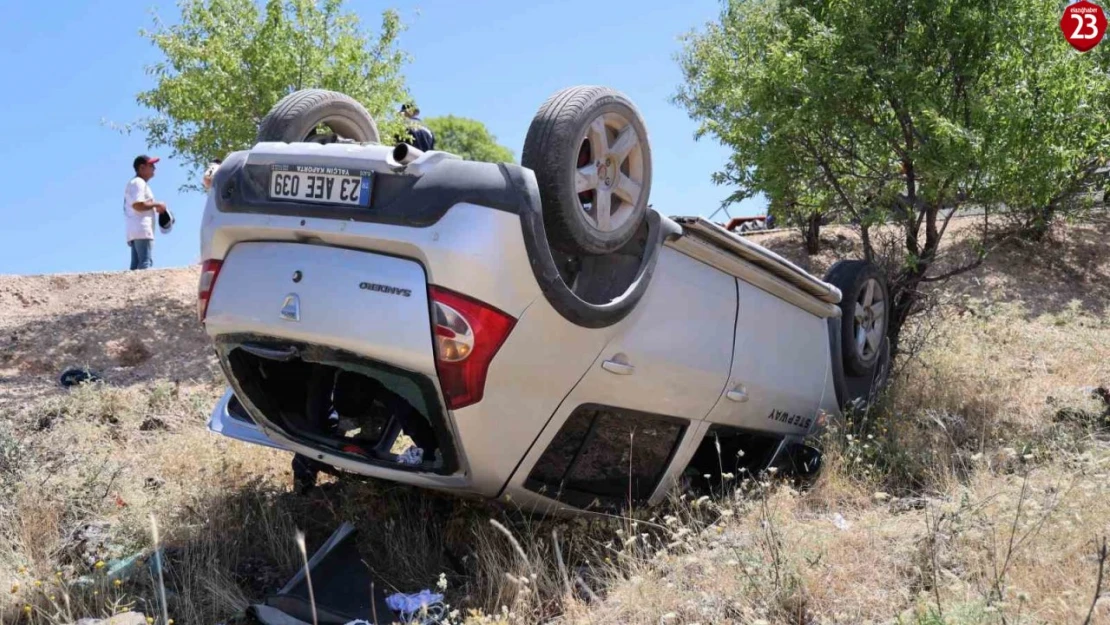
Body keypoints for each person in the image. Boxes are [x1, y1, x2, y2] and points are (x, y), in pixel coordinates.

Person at [123, 155, 167, 270]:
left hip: (136, 230)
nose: (154, 168)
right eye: (151, 165)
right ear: (142, 168)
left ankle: (132, 287)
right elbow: (138, 205)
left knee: (136, 265)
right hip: (142, 228)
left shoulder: (136, 183)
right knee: (144, 263)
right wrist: (157, 204)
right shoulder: (138, 182)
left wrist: (154, 207)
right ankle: (142, 288)